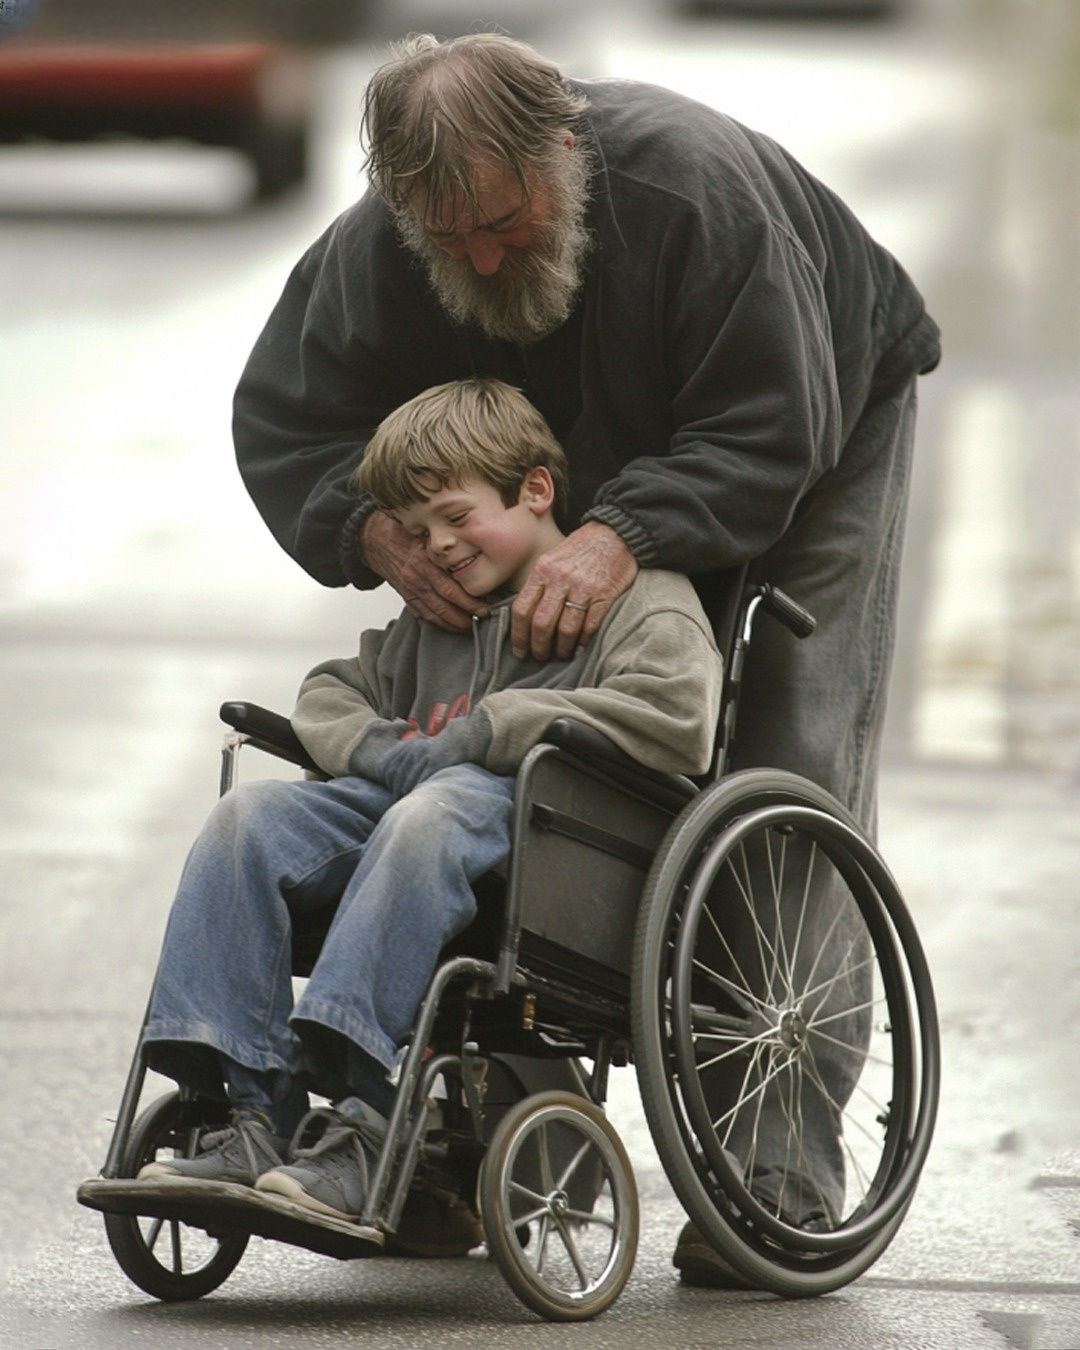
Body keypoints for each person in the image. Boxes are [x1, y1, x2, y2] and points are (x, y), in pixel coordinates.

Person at [231, 33, 942, 1282]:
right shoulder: (391, 243)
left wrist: (625, 533)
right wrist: (374, 526)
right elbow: (288, 416)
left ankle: (774, 1166)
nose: (486, 258)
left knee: (779, 750)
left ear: (563, 146)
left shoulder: (687, 193)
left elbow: (770, 422)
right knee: (518, 768)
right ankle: (492, 1151)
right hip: (545, 474)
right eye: (452, 242)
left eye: (507, 224)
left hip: (808, 425)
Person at [131, 376, 722, 1251]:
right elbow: (331, 691)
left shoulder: (641, 597)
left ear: (535, 490)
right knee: (245, 819)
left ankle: (368, 1113)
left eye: (454, 517)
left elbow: (679, 718)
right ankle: (247, 1109)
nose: (435, 548)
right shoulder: (435, 618)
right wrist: (375, 747)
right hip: (405, 830)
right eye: (415, 533)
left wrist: (495, 727)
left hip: (551, 854)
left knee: (439, 805)